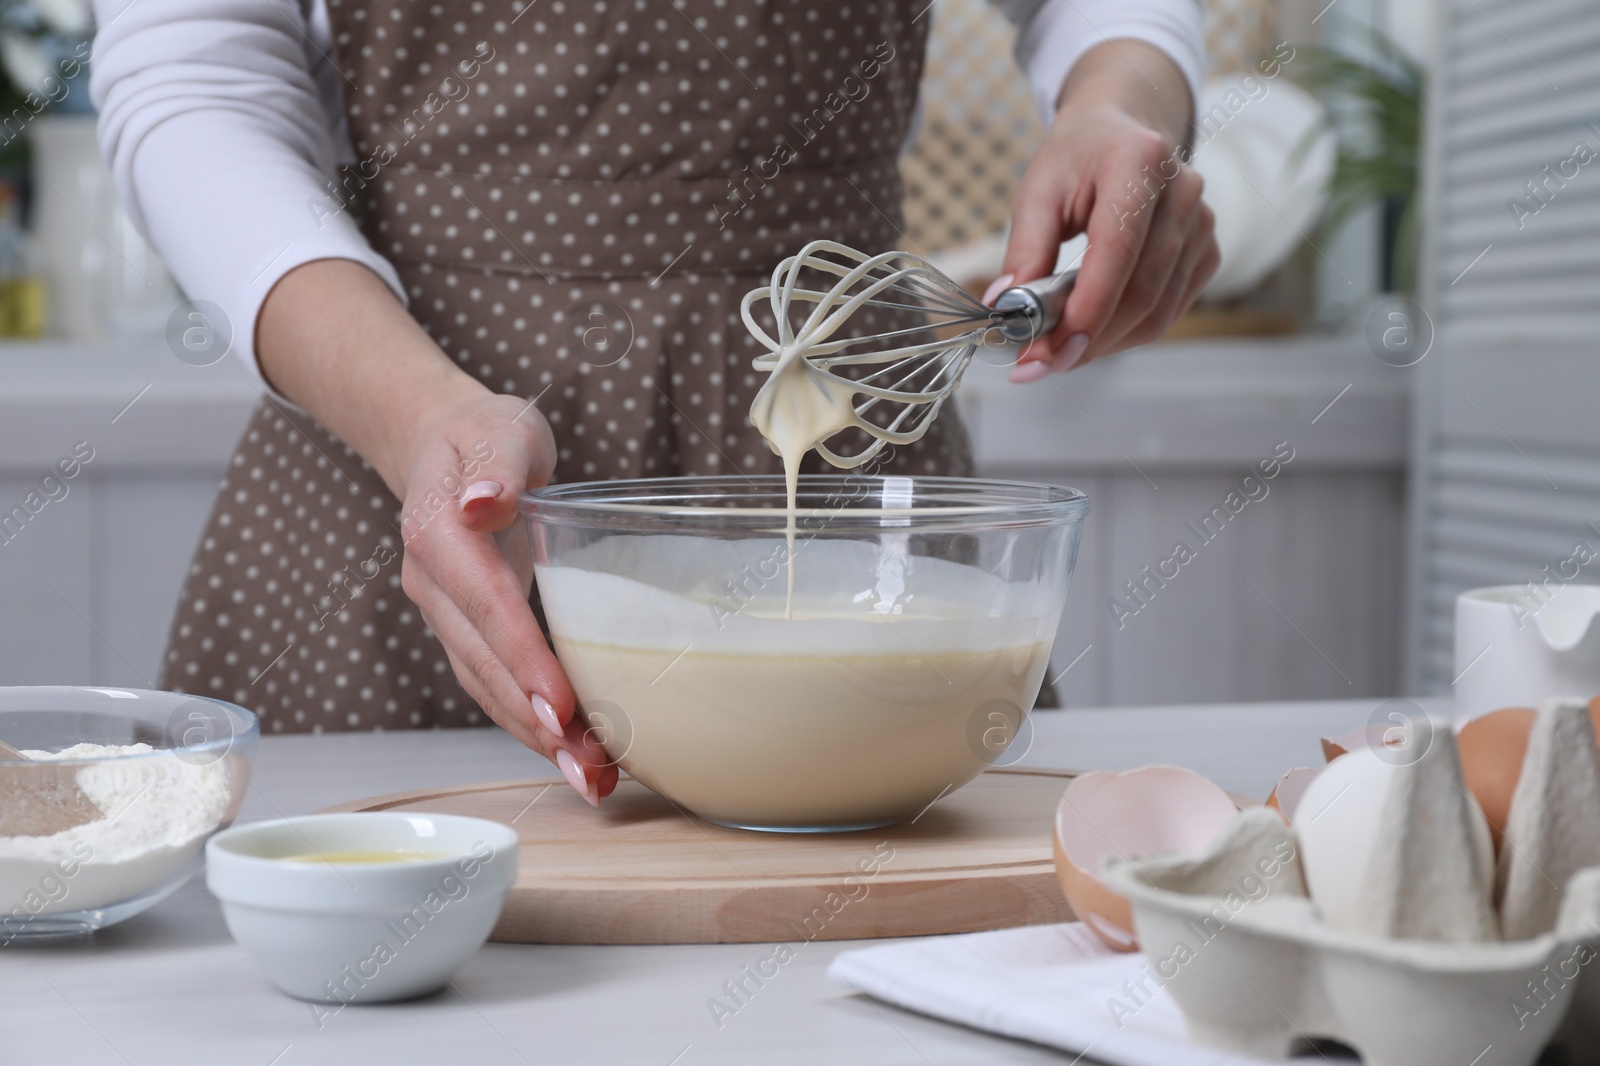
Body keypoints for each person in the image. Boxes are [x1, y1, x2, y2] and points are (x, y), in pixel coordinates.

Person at [91, 0, 1217, 805]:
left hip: (844, 414)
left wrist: (1121, 99)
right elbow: (192, 77)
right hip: (415, 454)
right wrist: (413, 416)